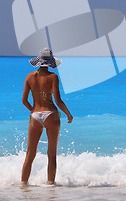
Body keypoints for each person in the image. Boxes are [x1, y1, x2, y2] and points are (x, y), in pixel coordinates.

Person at [21, 47, 73, 185]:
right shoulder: (53, 77)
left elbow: (24, 101)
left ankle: (23, 186)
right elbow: (58, 100)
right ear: (50, 63)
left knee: (29, 155)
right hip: (51, 115)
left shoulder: (29, 77)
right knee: (51, 155)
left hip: (35, 116)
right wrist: (68, 114)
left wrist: (33, 110)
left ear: (38, 61)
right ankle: (50, 186)